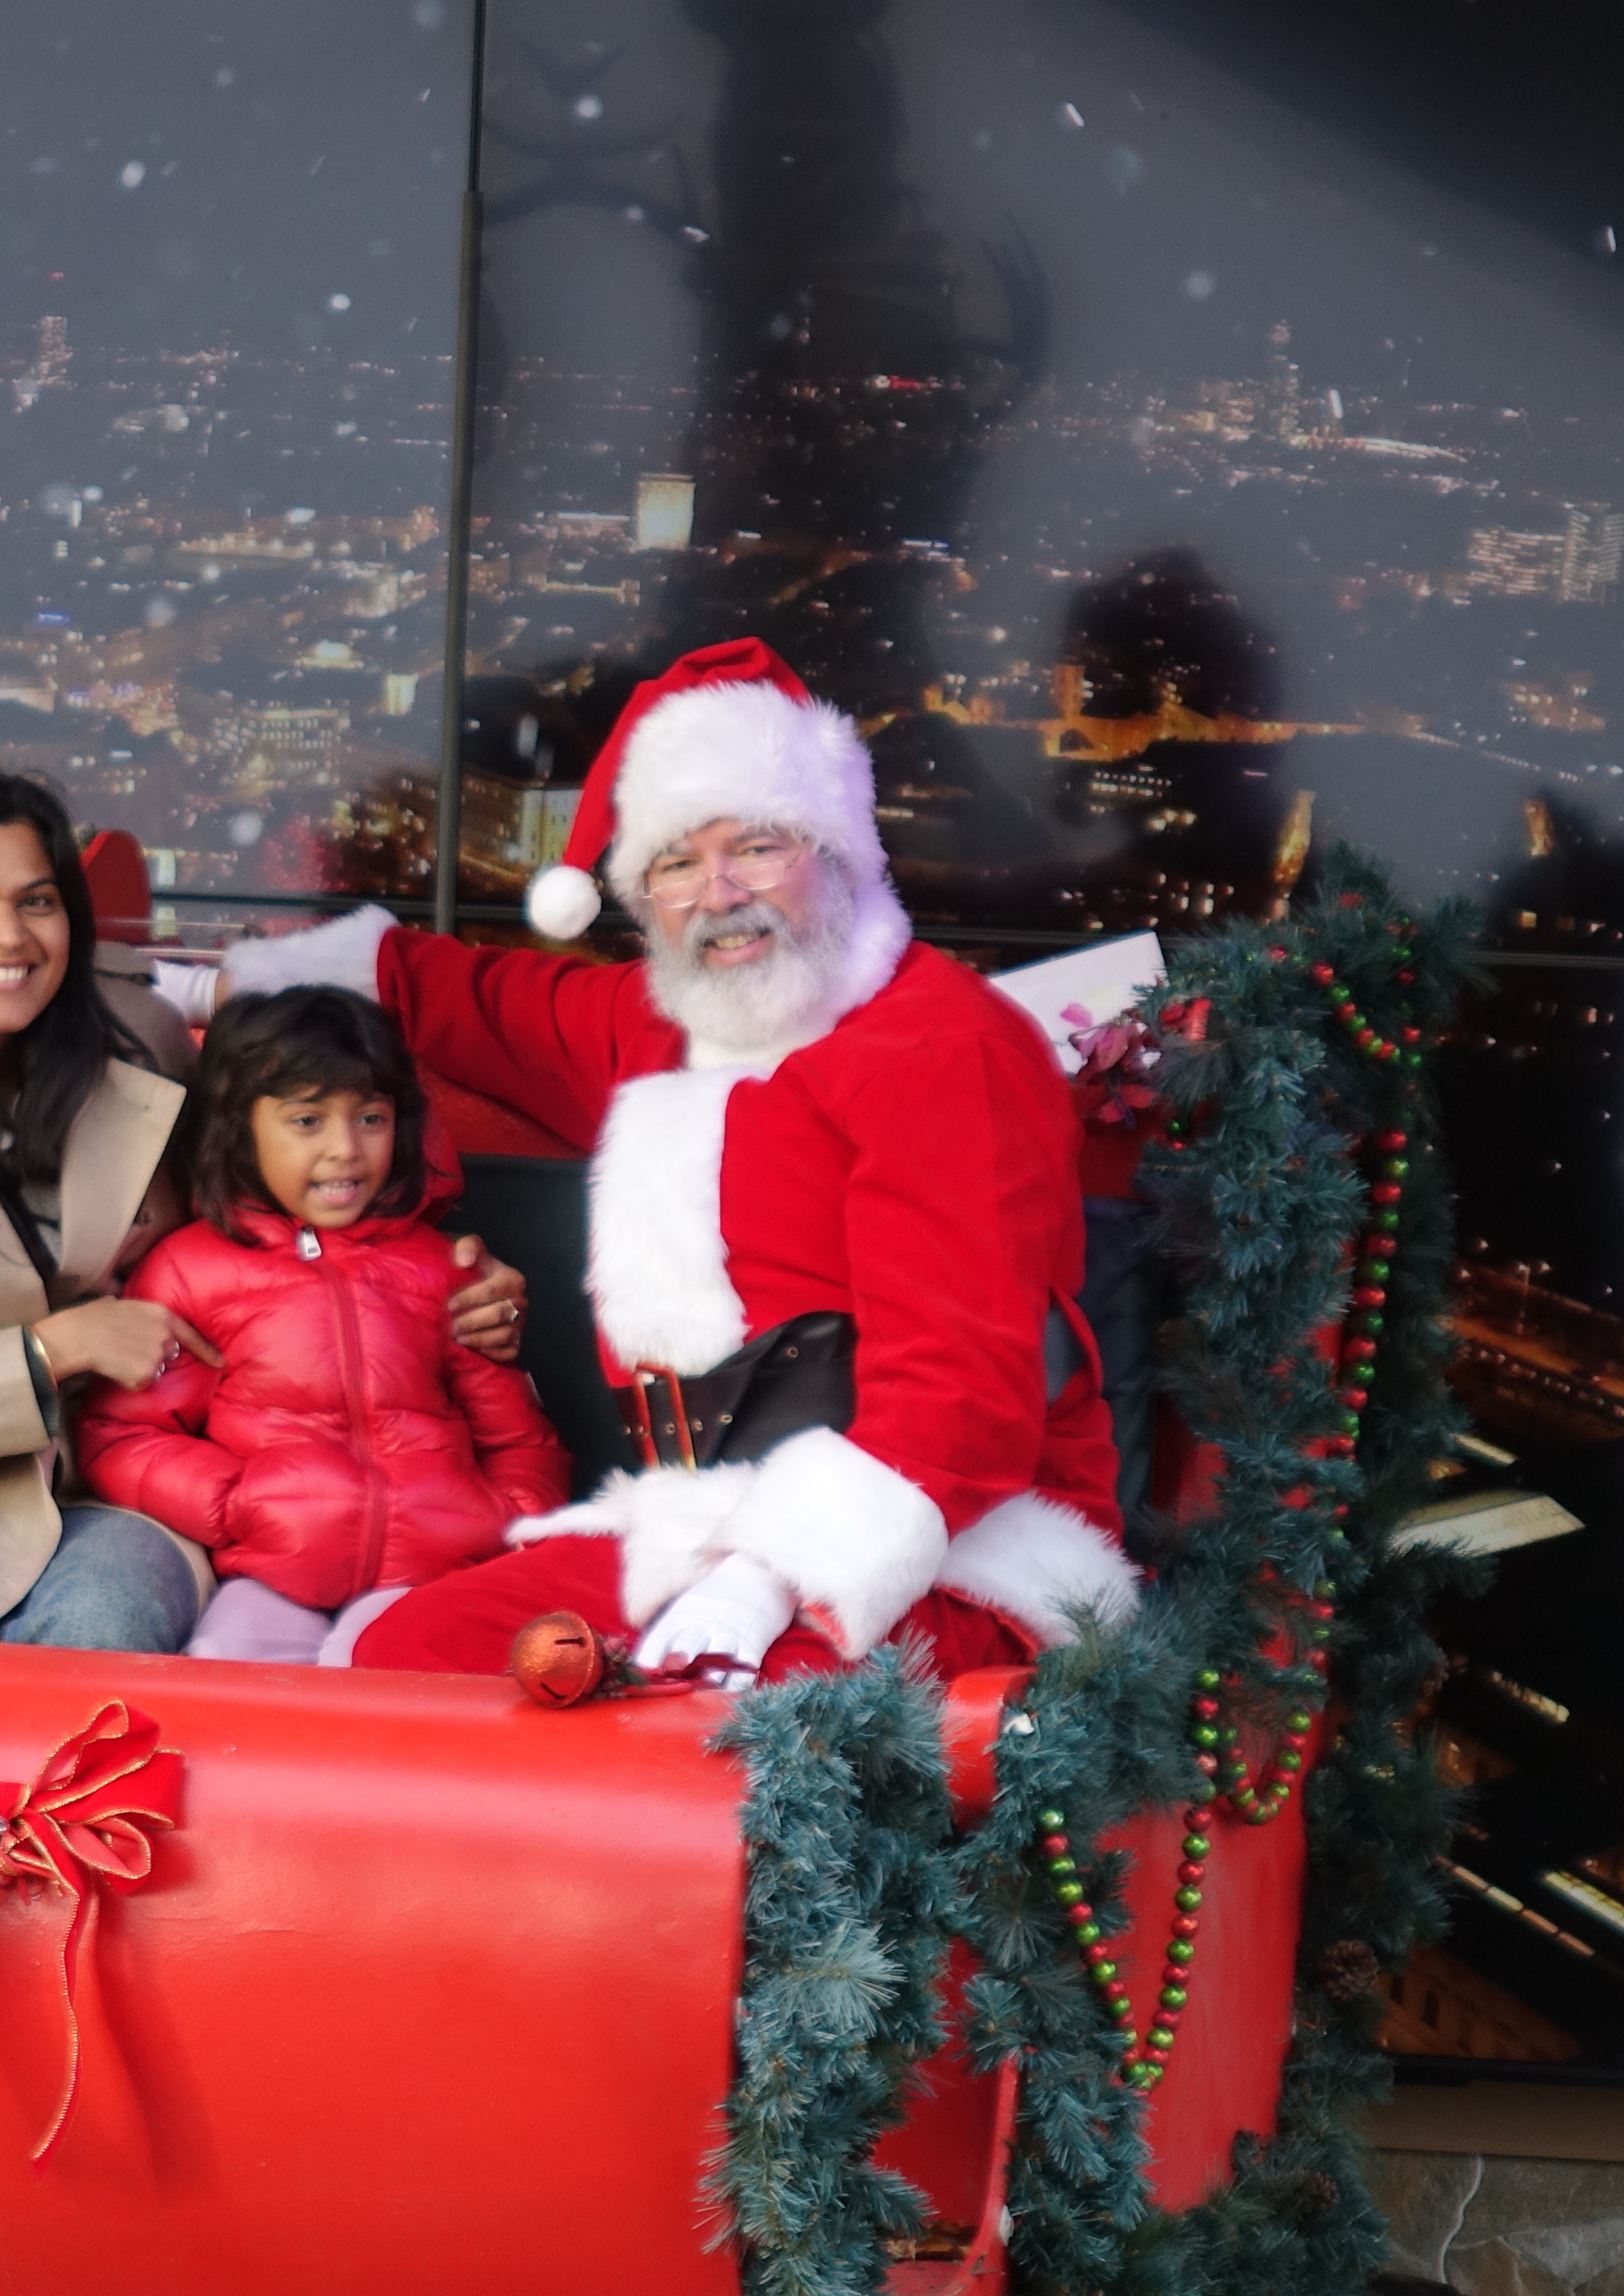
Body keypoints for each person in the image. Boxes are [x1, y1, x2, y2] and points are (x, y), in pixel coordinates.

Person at [222, 640, 1136, 1686]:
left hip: (947, 1547)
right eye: (677, 863)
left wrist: (769, 1577)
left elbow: (957, 1399)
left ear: (839, 850)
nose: (719, 892)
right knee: (413, 1657)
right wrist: (200, 993)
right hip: (701, 1524)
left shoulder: (946, 1047)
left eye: (758, 847)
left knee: (699, 1726)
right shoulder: (655, 1023)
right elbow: (467, 997)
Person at [0, 768, 530, 1648]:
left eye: (36, 901)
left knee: (103, 1628)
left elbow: (288, 1200)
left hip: (126, 1483)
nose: (9, 935)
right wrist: (52, 1351)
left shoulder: (138, 1044)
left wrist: (455, 1280)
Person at [75, 990, 576, 1664]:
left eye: (370, 1118)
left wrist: (503, 1516)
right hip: (272, 1573)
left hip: (431, 1573)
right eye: (307, 1120)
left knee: (382, 1666)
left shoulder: (447, 1269)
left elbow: (520, 1439)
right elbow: (122, 1433)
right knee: (228, 1669)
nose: (346, 1149)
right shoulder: (189, 1270)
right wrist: (236, 1503)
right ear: (241, 1129)